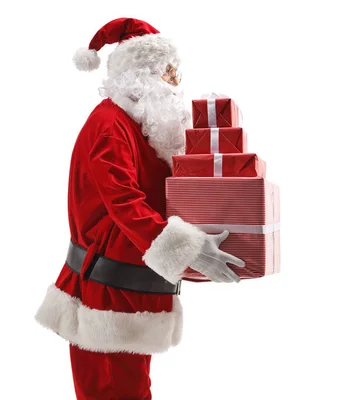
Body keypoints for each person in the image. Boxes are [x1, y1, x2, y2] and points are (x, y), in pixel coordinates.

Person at [34, 17, 245, 400]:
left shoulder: (140, 128)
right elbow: (125, 203)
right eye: (169, 73)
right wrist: (192, 248)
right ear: (140, 75)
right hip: (108, 297)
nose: (177, 84)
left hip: (131, 294)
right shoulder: (110, 126)